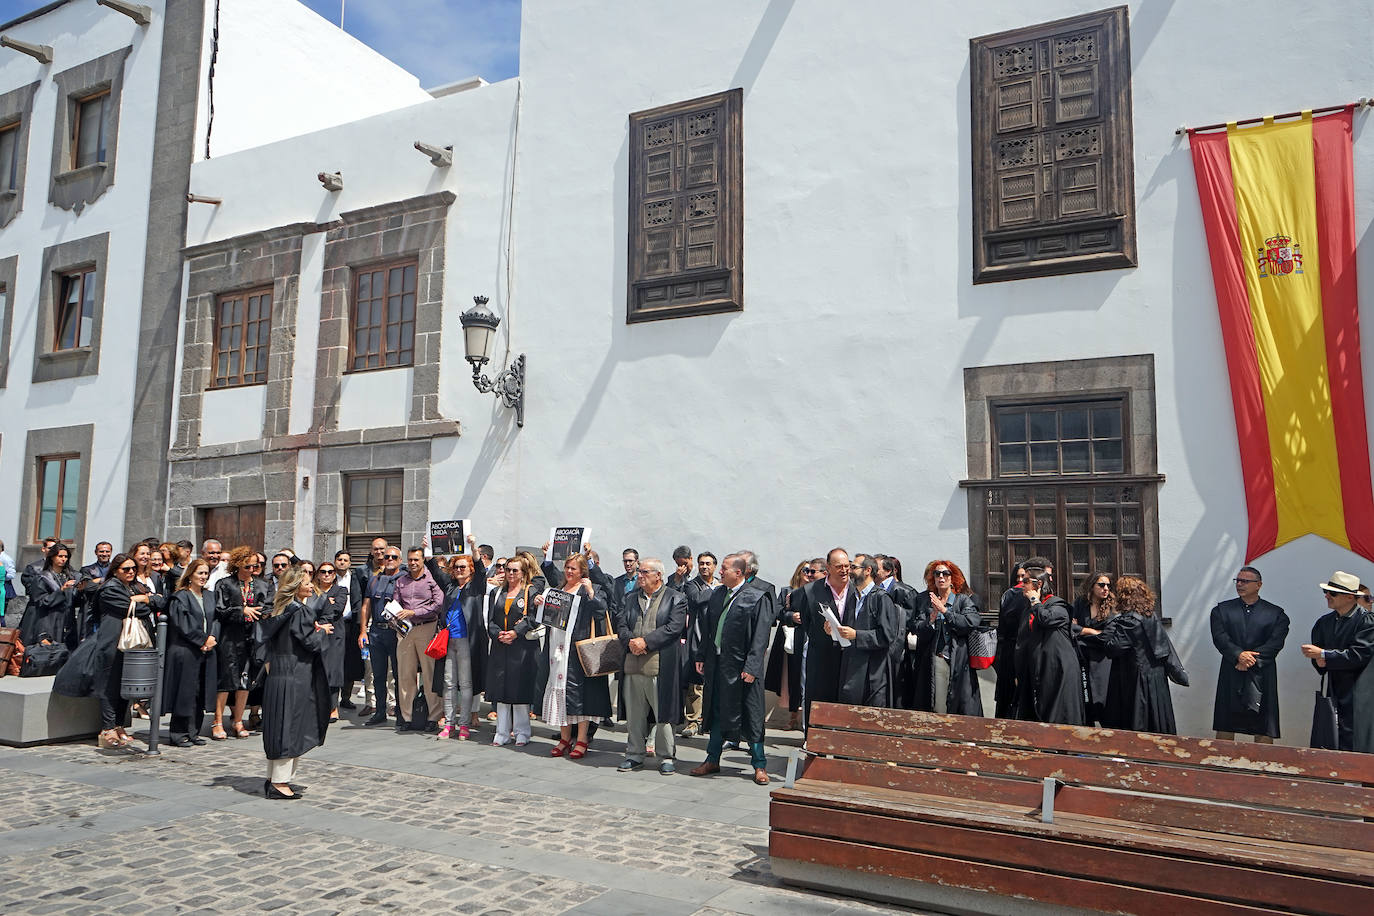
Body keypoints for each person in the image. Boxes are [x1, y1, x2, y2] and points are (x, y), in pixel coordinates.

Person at [691, 553, 774, 785]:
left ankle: (759, 765)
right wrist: (702, 655)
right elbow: (709, 629)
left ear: (738, 573)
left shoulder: (757, 597)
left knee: (752, 716)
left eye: (724, 569)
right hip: (718, 665)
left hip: (743, 668)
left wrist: (752, 666)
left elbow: (761, 636)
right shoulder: (718, 595)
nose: (720, 572)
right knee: (717, 711)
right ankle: (712, 758)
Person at [258, 565, 332, 799]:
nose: (311, 585)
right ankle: (280, 783)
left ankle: (273, 778)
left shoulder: (280, 610)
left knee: (278, 725)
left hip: (278, 674)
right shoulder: (301, 611)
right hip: (296, 674)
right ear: (295, 586)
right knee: (291, 726)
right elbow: (310, 643)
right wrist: (322, 632)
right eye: (307, 582)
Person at [1083, 576, 1182, 734]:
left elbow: (1113, 648)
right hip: (1156, 677)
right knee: (1156, 720)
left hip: (1137, 679)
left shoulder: (1129, 621)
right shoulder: (1150, 616)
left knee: (1138, 723)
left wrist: (1104, 631)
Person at [614, 557, 686, 774]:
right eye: (639, 572)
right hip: (632, 664)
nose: (639, 576)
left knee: (663, 714)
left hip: (659, 666)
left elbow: (674, 628)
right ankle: (634, 754)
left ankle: (666, 757)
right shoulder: (630, 598)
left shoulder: (676, 598)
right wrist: (631, 641)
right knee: (635, 714)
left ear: (658, 575)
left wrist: (646, 642)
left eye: (644, 572)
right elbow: (621, 623)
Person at [540, 553, 614, 760]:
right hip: (558, 646)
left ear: (582, 571)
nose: (569, 571)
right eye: (567, 568)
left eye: (573, 568)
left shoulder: (590, 588)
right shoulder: (559, 589)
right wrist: (541, 603)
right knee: (561, 692)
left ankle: (581, 739)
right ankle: (564, 738)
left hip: (578, 648)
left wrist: (591, 592)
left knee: (580, 695)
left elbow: (601, 611)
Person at [1209, 566, 1289, 743]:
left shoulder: (1275, 614)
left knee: (1264, 722)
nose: (1240, 584)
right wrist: (1238, 655)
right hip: (1232, 669)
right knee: (1226, 721)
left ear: (1258, 585)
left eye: (1245, 581)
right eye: (1238, 581)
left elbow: (1275, 643)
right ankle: (1223, 765)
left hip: (1262, 672)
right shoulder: (1222, 610)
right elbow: (1220, 638)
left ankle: (1263, 767)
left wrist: (1251, 659)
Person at [1301, 571, 1374, 752]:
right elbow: (1319, 655)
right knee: (1330, 742)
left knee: (1358, 744)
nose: (1326, 596)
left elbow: (1359, 655)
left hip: (1360, 695)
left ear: (1350, 596)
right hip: (1333, 692)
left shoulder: (1367, 621)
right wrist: (1318, 661)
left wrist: (1324, 655)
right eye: (1325, 592)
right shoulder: (1324, 623)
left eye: (1332, 593)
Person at [92, 553, 154, 749]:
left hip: (129, 643)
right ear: (115, 571)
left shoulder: (135, 586)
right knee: (110, 683)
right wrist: (145, 601)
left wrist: (145, 599)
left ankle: (119, 725)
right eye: (125, 569)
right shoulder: (110, 588)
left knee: (124, 685)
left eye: (133, 569)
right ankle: (107, 727)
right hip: (112, 641)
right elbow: (139, 609)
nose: (130, 572)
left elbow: (158, 602)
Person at [907, 560, 984, 716]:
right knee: (938, 704)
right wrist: (932, 618)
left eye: (945, 573)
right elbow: (916, 627)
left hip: (958, 662)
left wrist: (945, 611)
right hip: (935, 661)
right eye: (937, 574)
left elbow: (970, 622)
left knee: (962, 704)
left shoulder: (962, 600)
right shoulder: (925, 601)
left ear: (952, 578)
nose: (941, 577)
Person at [426, 538, 485, 739]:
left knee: (466, 684)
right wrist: (429, 549)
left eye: (463, 567)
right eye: (456, 567)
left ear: (470, 569)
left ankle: (464, 724)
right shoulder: (450, 586)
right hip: (448, 640)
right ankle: (449, 724)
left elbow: (481, 570)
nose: (459, 570)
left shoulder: (476, 586)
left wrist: (474, 551)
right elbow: (434, 570)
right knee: (449, 683)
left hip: (467, 640)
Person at [1014, 568, 1084, 725]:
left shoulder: (1058, 605)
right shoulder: (1028, 608)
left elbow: (1047, 619)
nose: (1021, 584)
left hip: (1059, 669)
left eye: (1026, 581)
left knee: (1059, 714)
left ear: (1038, 584)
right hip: (1039, 669)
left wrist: (1035, 602)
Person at [212, 546, 269, 740]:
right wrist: (241, 610)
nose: (252, 569)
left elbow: (268, 606)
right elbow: (220, 609)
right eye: (248, 566)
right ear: (237, 566)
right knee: (226, 679)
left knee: (246, 680)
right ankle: (218, 721)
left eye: (255, 566)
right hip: (230, 637)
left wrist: (261, 612)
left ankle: (238, 721)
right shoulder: (225, 584)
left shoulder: (263, 585)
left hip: (252, 637)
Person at [831, 554, 900, 708]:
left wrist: (857, 635)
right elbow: (847, 630)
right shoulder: (853, 598)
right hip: (851, 668)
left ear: (868, 570)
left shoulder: (881, 598)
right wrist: (834, 630)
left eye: (854, 567)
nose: (849, 571)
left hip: (873, 671)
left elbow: (887, 636)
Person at [794, 548, 852, 729]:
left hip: (852, 659)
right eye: (839, 566)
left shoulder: (857, 588)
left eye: (847, 566)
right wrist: (822, 631)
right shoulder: (811, 591)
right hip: (822, 658)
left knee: (846, 710)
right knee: (819, 709)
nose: (844, 570)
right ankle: (815, 750)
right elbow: (806, 623)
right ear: (828, 568)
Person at [486, 554, 539, 746]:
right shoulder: (496, 593)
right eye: (507, 569)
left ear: (523, 573)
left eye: (514, 570)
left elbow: (534, 618)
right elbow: (489, 619)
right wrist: (499, 634)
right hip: (500, 647)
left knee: (519, 689)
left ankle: (522, 732)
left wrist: (516, 632)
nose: (510, 573)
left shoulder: (530, 592)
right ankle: (501, 732)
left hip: (522, 648)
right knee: (501, 689)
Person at [164, 558, 218, 747]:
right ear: (190, 575)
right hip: (186, 650)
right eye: (200, 573)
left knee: (199, 692)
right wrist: (202, 640)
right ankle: (178, 733)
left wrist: (211, 638)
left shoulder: (210, 596)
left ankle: (194, 732)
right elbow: (182, 624)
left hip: (206, 650)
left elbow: (216, 620)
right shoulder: (180, 597)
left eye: (206, 573)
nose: (203, 577)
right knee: (184, 692)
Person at [765, 561, 812, 731]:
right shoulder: (787, 590)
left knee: (802, 678)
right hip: (788, 639)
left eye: (811, 571)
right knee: (790, 679)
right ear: (799, 572)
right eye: (805, 570)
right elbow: (776, 611)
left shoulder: (815, 591)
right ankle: (792, 717)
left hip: (806, 639)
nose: (808, 574)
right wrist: (791, 615)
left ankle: (804, 719)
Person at [359, 547, 403, 726]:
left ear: (400, 560)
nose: (390, 559)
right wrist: (363, 631)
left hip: (396, 631)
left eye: (394, 557)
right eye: (387, 557)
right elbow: (365, 606)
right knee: (378, 674)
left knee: (400, 674)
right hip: (376, 631)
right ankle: (380, 712)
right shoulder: (374, 580)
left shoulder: (405, 579)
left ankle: (401, 712)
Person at [678, 551, 718, 738]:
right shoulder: (692, 585)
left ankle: (711, 721)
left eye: (708, 564)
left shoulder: (720, 584)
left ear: (715, 566)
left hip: (716, 640)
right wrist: (720, 591)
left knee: (714, 683)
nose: (704, 567)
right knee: (696, 683)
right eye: (701, 563)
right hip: (697, 638)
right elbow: (696, 599)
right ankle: (693, 721)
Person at [1073, 571, 1117, 726]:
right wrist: (1092, 631)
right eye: (1102, 585)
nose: (1106, 589)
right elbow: (1070, 627)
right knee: (1085, 700)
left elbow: (1106, 637)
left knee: (1103, 699)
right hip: (1083, 658)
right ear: (1092, 586)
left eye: (1108, 586)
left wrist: (1081, 631)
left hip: (1102, 659)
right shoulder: (1080, 603)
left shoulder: (1111, 608)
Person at [20, 542, 79, 647]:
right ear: (52, 557)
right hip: (48, 621)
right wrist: (61, 591)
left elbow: (75, 600)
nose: (63, 559)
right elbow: (42, 601)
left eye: (66, 556)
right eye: (60, 556)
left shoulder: (70, 576)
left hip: (67, 620)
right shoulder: (42, 577)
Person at [311, 560, 350, 722]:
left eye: (330, 572)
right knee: (317, 669)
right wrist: (328, 601)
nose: (326, 574)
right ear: (318, 574)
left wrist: (324, 602)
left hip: (335, 633)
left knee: (333, 670)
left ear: (335, 575)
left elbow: (337, 609)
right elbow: (309, 610)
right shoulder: (312, 590)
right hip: (315, 631)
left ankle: (333, 707)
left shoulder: (341, 590)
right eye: (323, 572)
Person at [993, 561, 1031, 719]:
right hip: (1010, 650)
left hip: (1026, 650)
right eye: (1018, 577)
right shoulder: (1009, 595)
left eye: (1024, 577)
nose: (1020, 580)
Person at [334, 550, 366, 711]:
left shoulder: (354, 578)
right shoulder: (329, 576)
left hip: (350, 623)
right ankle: (331, 698)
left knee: (350, 661)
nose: (342, 562)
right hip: (333, 623)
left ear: (349, 563)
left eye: (345, 560)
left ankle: (345, 697)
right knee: (335, 660)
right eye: (339, 559)